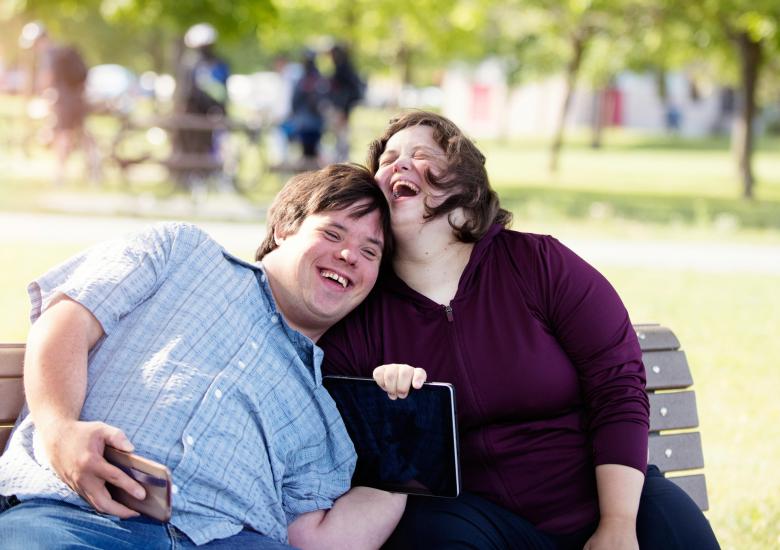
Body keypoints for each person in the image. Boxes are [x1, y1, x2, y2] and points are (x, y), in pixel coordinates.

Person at [319, 111, 721, 549]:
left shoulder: (538, 264)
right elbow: (349, 448)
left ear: (467, 188)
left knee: (674, 523)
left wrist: (618, 524)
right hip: (476, 524)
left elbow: (617, 387)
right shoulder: (364, 314)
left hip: (601, 500)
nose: (398, 165)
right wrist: (388, 410)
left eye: (421, 155)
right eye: (388, 159)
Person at [0, 163, 406, 549]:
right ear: (285, 228)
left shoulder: (321, 415)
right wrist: (58, 429)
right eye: (333, 234)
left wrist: (414, 460)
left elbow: (311, 539)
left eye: (369, 252)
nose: (349, 255)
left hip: (229, 541)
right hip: (76, 516)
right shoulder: (183, 252)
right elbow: (69, 318)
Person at [19, 21, 99, 186]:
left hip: (62, 101)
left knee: (62, 136)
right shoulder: (63, 49)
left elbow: (46, 79)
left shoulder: (48, 54)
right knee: (82, 134)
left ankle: (60, 174)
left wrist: (41, 94)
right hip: (78, 99)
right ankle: (95, 169)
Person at [172, 22, 231, 187]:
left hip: (205, 114)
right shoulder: (193, 64)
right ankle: (195, 177)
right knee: (196, 146)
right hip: (197, 115)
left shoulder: (212, 64)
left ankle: (203, 176)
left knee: (208, 146)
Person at [287, 50, 327, 170]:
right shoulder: (317, 79)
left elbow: (295, 101)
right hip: (312, 123)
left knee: (309, 153)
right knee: (311, 152)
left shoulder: (304, 80)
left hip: (307, 123)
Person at [327, 43, 365, 162]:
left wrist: (343, 108)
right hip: (342, 107)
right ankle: (340, 157)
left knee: (342, 135)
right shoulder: (344, 67)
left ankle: (341, 159)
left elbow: (346, 91)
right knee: (340, 135)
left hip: (342, 107)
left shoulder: (343, 69)